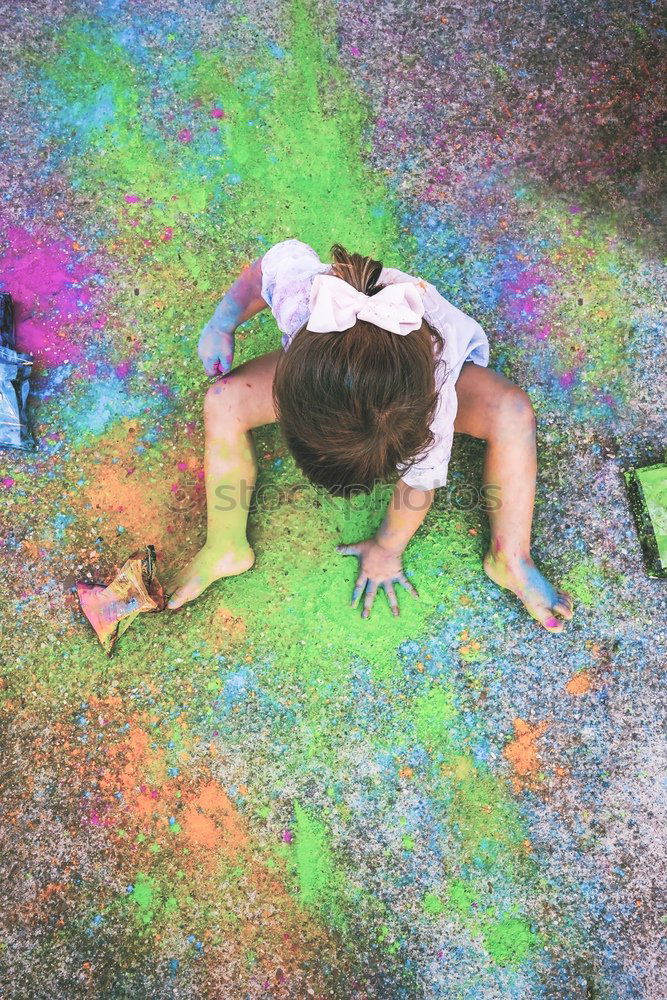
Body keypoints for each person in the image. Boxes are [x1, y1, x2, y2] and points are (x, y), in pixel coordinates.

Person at [167, 238, 573, 632]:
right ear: (290, 387)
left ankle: (512, 556)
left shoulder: (434, 404)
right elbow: (264, 272)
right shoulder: (302, 297)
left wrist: (386, 549)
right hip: (332, 360)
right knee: (223, 400)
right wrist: (221, 324)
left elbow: (417, 489)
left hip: (430, 370)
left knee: (512, 412)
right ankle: (225, 547)